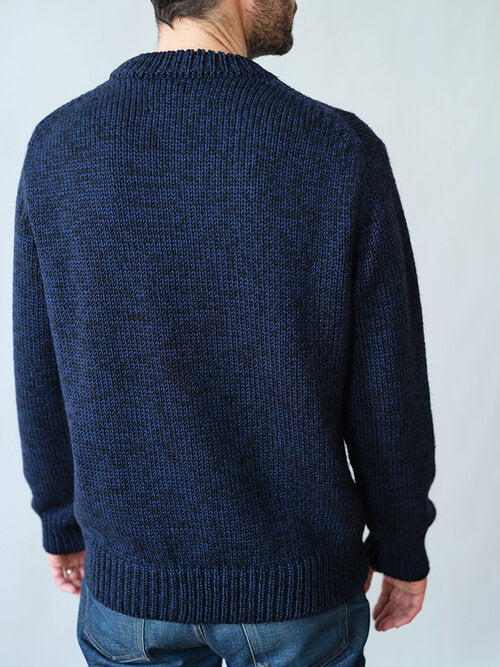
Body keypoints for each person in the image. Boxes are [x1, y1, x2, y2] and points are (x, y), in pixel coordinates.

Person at [12, 0, 437, 665]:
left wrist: (60, 518)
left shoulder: (60, 146)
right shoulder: (337, 149)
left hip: (131, 589)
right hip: (297, 593)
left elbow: (40, 364)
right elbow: (388, 385)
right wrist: (402, 542)